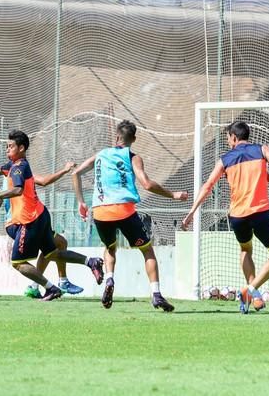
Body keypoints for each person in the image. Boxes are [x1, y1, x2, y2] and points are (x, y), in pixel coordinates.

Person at [0, 130, 104, 301]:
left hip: (28, 221)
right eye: (6, 146)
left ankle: (51, 288)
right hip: (40, 215)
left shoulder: (19, 168)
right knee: (53, 253)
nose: (7, 149)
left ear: (21, 148)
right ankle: (90, 262)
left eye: (10, 146)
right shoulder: (13, 166)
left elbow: (17, 190)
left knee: (18, 263)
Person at [71, 120, 188, 312]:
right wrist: (173, 195)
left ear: (116, 137)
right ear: (133, 139)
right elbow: (147, 184)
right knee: (147, 250)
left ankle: (109, 279)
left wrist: (80, 201)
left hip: (100, 211)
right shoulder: (133, 157)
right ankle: (156, 294)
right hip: (124, 210)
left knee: (110, 248)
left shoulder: (100, 155)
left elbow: (75, 173)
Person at [182, 121, 269, 314]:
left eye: (228, 138)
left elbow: (207, 186)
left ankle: (254, 297)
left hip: (237, 216)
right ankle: (251, 289)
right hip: (260, 212)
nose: (228, 142)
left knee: (246, 249)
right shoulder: (260, 149)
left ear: (234, 137)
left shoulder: (225, 159)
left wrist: (191, 212)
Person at [0, 160, 85, 299]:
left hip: (27, 222)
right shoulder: (12, 177)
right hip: (18, 224)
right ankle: (53, 284)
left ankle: (41, 286)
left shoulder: (20, 174)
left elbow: (44, 180)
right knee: (25, 260)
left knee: (58, 244)